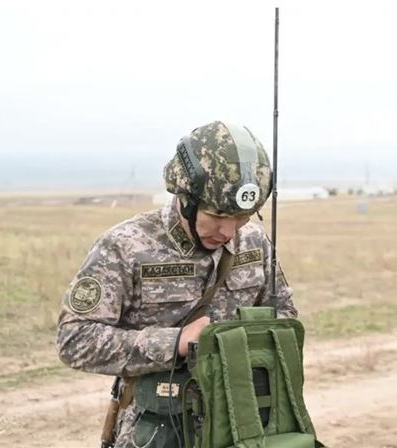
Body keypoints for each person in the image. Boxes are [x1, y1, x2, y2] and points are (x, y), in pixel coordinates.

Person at [56, 121, 296, 447]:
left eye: (242, 217)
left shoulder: (253, 243)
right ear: (186, 199)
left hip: (241, 426)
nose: (229, 232)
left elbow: (285, 317)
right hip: (156, 428)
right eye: (217, 216)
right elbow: (75, 340)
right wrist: (174, 343)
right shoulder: (126, 246)